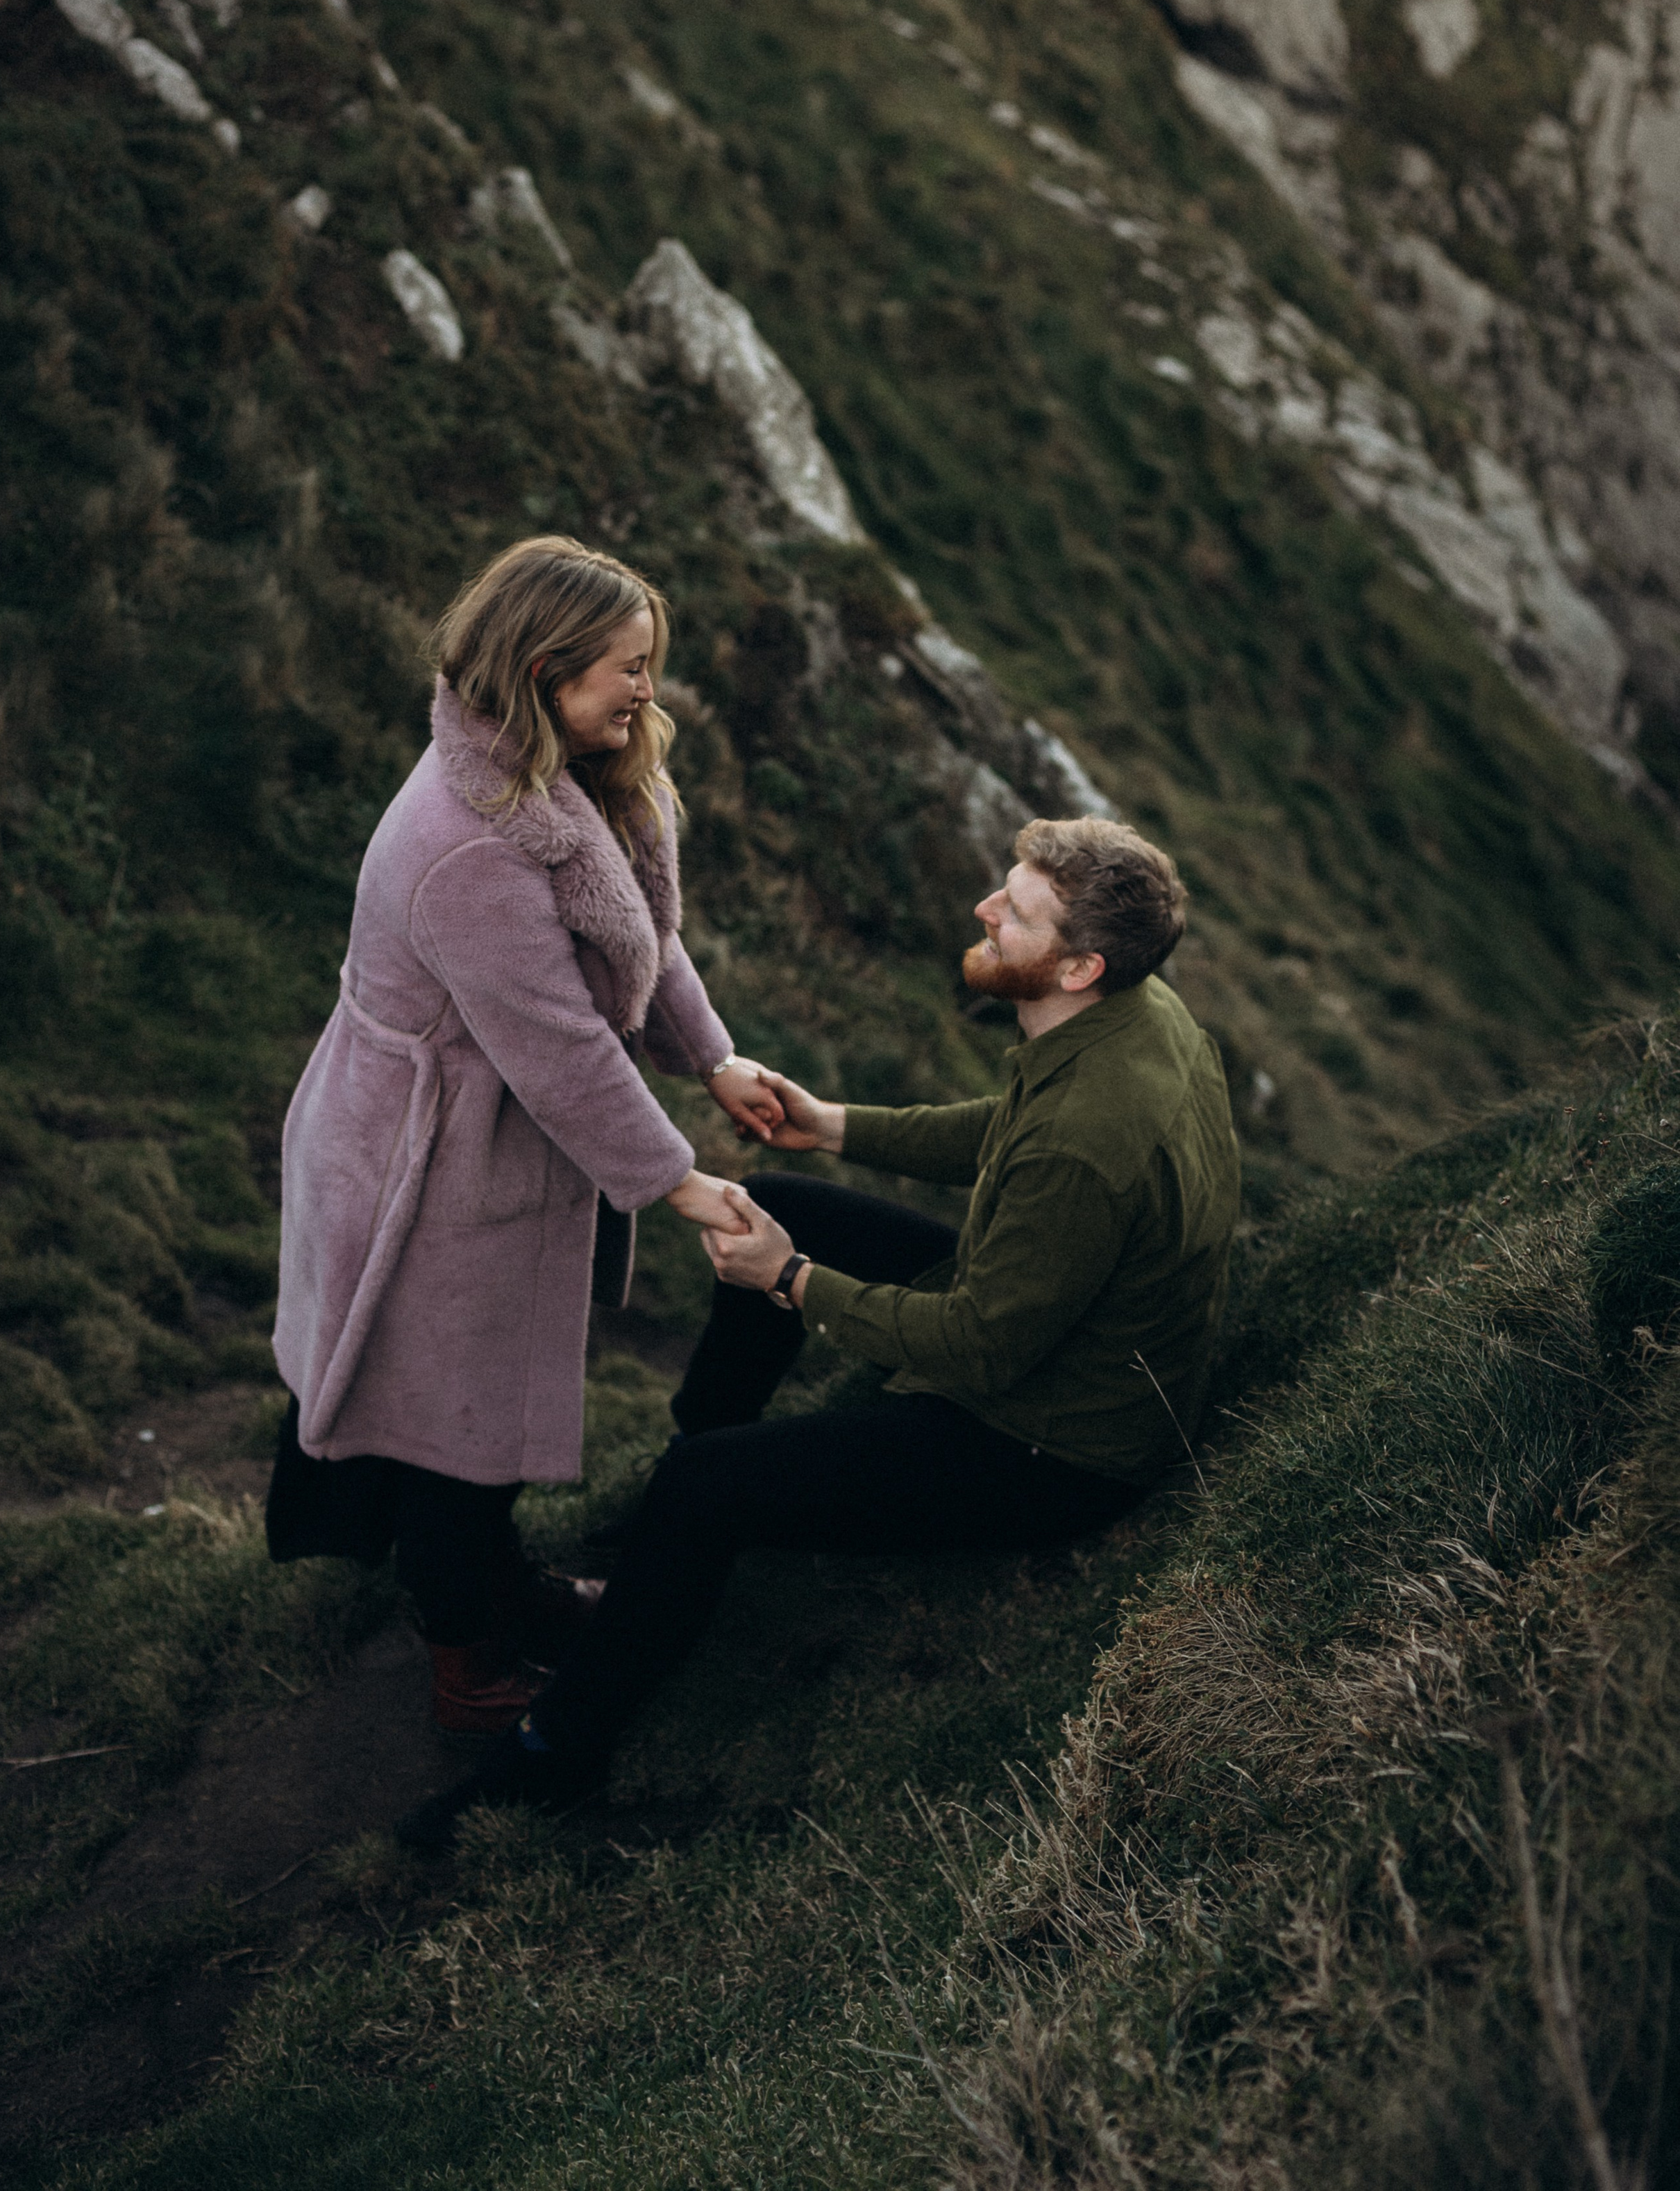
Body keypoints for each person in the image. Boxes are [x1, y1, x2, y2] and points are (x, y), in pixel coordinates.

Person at [396, 812, 1242, 1847]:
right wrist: (833, 1125)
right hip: (1063, 1335)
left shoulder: (1087, 1139)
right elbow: (1008, 1132)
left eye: (1016, 911)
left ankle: (553, 1757)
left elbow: (979, 1347)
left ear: (1079, 967)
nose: (984, 908)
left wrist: (791, 1278)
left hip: (1053, 1445)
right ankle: (674, 1515)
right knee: (781, 1200)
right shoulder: (1134, 1015)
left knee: (706, 1488)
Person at [266, 535, 782, 1737]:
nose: (649, 688)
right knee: (451, 1428)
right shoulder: (466, 845)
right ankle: (468, 1664)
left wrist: (714, 1058)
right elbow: (558, 1047)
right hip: (424, 1164)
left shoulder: (572, 776)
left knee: (474, 1412)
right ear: (547, 670)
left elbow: (641, 935)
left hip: (488, 1140)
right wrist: (679, 1183)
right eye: (629, 667)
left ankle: (499, 1586)